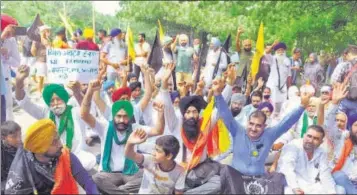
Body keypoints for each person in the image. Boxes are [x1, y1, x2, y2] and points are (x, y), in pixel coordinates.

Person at [80, 79, 165, 194]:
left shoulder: (135, 128)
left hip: (131, 173)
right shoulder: (104, 127)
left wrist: (160, 113)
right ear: (113, 116)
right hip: (108, 173)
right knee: (95, 179)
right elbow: (84, 115)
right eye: (118, 116)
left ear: (130, 117)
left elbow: (158, 130)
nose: (121, 120)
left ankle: (117, 192)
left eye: (125, 117)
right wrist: (90, 91)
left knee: (151, 175)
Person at [213, 76, 311, 175]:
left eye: (258, 125)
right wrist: (217, 94)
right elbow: (226, 114)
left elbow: (286, 123)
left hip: (258, 181)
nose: (253, 128)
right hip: (235, 179)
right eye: (251, 124)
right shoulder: (238, 131)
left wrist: (301, 107)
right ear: (247, 123)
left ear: (264, 126)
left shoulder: (269, 135)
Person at [14, 65, 96, 171]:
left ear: (65, 99)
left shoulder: (74, 111)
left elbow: (85, 109)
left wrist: (76, 92)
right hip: (52, 156)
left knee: (89, 160)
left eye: (59, 99)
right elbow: (24, 103)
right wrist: (18, 83)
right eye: (52, 101)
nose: (56, 103)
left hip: (75, 155)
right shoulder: (45, 112)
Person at [4, 119, 98, 194]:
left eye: (58, 139)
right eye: (54, 142)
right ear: (40, 149)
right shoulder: (25, 169)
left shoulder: (64, 155)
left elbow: (86, 181)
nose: (60, 144)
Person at [277, 125, 338, 194]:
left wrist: (332, 192)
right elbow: (287, 169)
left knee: (339, 190)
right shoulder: (294, 146)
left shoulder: (321, 152)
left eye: (316, 139)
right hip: (290, 184)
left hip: (311, 186)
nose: (311, 141)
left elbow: (325, 174)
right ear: (304, 135)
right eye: (309, 136)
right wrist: (295, 187)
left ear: (321, 142)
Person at [321, 83, 357, 194]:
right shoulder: (342, 137)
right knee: (339, 177)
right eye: (356, 125)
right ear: (351, 127)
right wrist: (334, 104)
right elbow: (329, 126)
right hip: (343, 181)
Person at [1, 14, 20, 121]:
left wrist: (6, 57)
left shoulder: (11, 41)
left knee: (7, 109)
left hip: (5, 80)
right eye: (9, 28)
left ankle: (7, 135)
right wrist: (1, 38)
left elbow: (17, 62)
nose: (11, 33)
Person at [331, 45, 357, 117]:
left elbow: (334, 81)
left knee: (339, 123)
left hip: (343, 100)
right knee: (354, 125)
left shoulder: (343, 65)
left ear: (348, 54)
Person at [266, 42, 292, 115]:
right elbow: (267, 53)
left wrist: (289, 88)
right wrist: (272, 45)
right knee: (272, 105)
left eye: (282, 50)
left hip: (283, 87)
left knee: (283, 105)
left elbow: (289, 75)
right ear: (276, 51)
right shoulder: (272, 59)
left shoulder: (287, 60)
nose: (280, 52)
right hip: (273, 86)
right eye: (278, 50)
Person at [1, 121, 21, 193]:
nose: (19, 139)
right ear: (4, 138)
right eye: (14, 137)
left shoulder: (23, 148)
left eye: (20, 135)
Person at [31, 24, 51, 93]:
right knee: (40, 78)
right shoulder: (37, 39)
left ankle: (41, 91)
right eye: (47, 30)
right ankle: (39, 92)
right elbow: (33, 50)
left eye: (48, 30)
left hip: (47, 60)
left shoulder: (47, 39)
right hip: (41, 61)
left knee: (44, 78)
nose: (49, 31)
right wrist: (38, 57)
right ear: (43, 31)